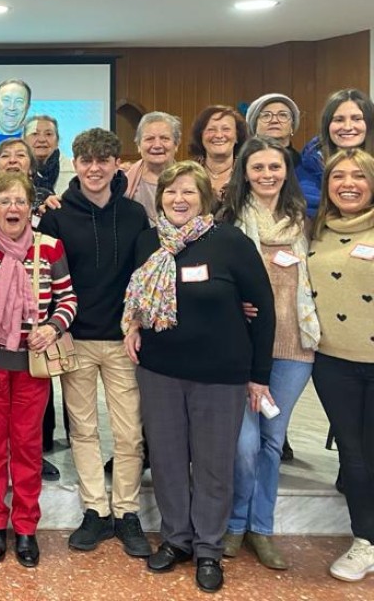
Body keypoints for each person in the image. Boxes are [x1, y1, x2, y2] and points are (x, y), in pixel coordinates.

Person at [123, 161, 275, 593]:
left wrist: (258, 376)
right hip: (159, 372)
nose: (179, 199)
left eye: (189, 192)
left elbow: (263, 311)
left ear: (204, 198)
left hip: (219, 375)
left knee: (212, 465)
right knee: (168, 462)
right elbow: (136, 297)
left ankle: (208, 548)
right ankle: (176, 540)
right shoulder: (148, 242)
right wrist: (132, 325)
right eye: (171, 192)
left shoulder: (230, 242)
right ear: (161, 197)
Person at [36, 128, 152, 558]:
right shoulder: (56, 216)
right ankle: (94, 511)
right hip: (75, 340)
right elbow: (44, 280)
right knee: (83, 431)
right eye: (86, 161)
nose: (95, 169)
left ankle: (126, 512)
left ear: (116, 164)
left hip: (123, 341)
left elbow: (143, 280)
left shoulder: (135, 214)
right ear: (75, 164)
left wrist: (137, 327)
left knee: (128, 434)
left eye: (103, 160)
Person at [0, 171, 77, 567]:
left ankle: (25, 526)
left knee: (27, 447)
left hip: (33, 367)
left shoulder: (50, 247)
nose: (13, 208)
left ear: (31, 208)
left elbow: (68, 300)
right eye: (4, 201)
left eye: (20, 201)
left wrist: (52, 326)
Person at [217, 137, 319, 570]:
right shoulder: (230, 223)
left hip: (295, 346)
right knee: (244, 443)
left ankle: (261, 528)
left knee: (273, 441)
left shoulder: (304, 221)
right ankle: (235, 523)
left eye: (274, 167)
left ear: (285, 171)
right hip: (247, 344)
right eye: (257, 167)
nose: (266, 175)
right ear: (245, 172)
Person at [308, 148, 374, 582]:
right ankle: (364, 540)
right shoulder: (316, 229)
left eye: (359, 176)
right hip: (333, 362)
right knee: (354, 457)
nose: (348, 183)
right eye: (339, 177)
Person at [297, 89, 374, 218]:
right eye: (339, 120)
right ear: (327, 125)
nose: (348, 127)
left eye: (356, 119)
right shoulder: (306, 167)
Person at [124, 111, 182, 225]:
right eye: (149, 139)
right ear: (138, 146)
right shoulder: (123, 181)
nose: (157, 145)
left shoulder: (190, 180)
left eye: (164, 138)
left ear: (176, 145)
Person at [188, 105, 248, 203]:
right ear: (201, 136)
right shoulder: (187, 172)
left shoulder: (248, 173)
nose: (219, 135)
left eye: (226, 129)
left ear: (237, 136)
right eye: (211, 130)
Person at [25, 114, 76, 194]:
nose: (42, 139)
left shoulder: (74, 172)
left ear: (57, 141)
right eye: (35, 134)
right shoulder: (13, 171)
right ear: (24, 140)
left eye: (48, 134)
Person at [245, 93, 301, 167]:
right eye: (266, 115)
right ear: (255, 126)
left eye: (282, 115)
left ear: (292, 127)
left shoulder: (305, 165)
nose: (274, 120)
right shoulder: (242, 162)